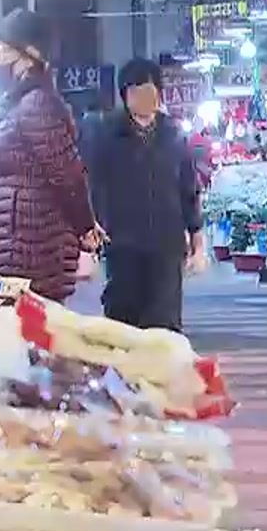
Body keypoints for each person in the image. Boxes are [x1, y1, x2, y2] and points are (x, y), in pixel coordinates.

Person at [0, 10, 97, 302]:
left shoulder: (37, 105)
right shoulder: (20, 104)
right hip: (16, 254)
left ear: (28, 57)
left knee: (27, 340)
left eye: (2, 50)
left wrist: (86, 232)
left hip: (31, 256)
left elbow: (68, 176)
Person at [82, 59, 201, 331]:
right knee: (124, 326)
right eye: (136, 92)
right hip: (123, 247)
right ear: (125, 96)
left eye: (150, 91)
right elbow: (93, 184)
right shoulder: (106, 135)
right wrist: (91, 229)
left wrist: (197, 238)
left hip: (167, 247)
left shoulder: (174, 135)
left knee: (164, 326)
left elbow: (188, 188)